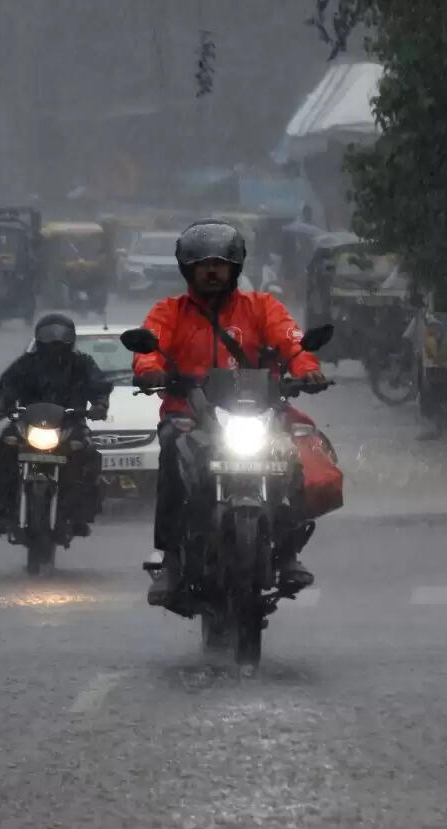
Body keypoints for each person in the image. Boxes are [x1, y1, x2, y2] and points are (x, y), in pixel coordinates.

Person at [132, 220, 330, 607]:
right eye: (202, 263)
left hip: (257, 413)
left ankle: (288, 553)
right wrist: (150, 369)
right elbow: (149, 346)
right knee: (173, 456)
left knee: (291, 455)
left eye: (220, 263)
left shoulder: (262, 307)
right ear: (188, 269)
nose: (211, 270)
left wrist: (307, 370)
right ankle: (171, 560)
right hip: (189, 415)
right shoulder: (169, 311)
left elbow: (291, 342)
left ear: (235, 267)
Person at [0, 313, 111, 533]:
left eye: (62, 335)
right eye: (49, 334)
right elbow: (7, 386)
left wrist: (99, 405)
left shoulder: (82, 363)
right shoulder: (26, 364)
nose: (56, 341)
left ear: (71, 338)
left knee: (89, 455)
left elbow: (98, 385)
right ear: (38, 337)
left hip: (71, 424)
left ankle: (81, 514)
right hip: (27, 424)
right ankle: (2, 509)